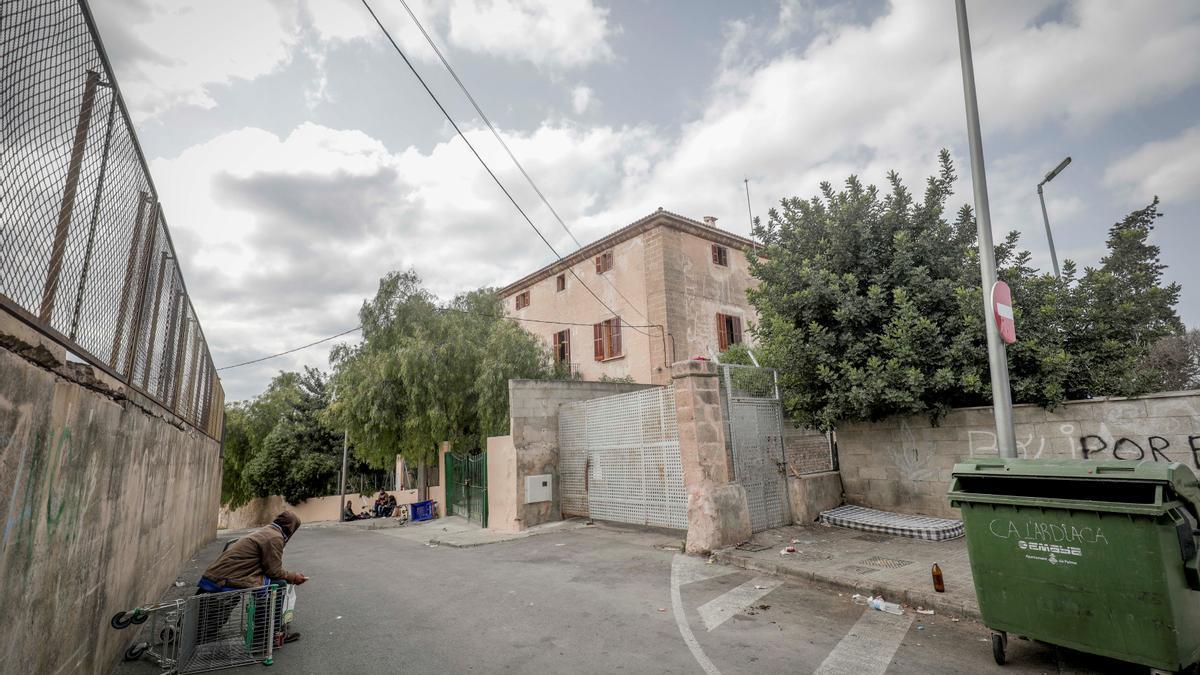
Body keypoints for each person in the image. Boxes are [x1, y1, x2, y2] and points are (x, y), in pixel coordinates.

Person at [197, 511, 309, 644]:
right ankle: (270, 633)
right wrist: (293, 577)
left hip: (223, 573)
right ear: (291, 528)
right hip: (227, 577)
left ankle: (266, 629)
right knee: (278, 584)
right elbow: (274, 571)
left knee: (270, 584)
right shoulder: (274, 538)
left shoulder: (269, 531)